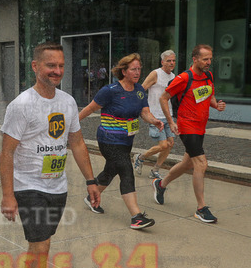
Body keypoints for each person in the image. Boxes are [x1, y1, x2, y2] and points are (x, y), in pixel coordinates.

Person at [0, 42, 101, 268]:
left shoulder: (68, 102)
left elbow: (77, 143)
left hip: (57, 186)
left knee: (42, 245)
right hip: (28, 186)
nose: (57, 71)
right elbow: (6, 153)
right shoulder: (21, 105)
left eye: (61, 66)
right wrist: (8, 195)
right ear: (35, 67)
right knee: (41, 245)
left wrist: (91, 180)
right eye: (50, 65)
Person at [79, 53, 163, 229]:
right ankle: (136, 216)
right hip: (108, 139)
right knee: (126, 169)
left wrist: (154, 120)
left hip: (126, 141)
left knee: (110, 171)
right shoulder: (110, 91)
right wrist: (71, 125)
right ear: (124, 71)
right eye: (133, 69)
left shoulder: (139, 90)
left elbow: (144, 112)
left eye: (139, 69)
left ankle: (91, 197)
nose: (137, 72)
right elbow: (90, 109)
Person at [153, 44, 226, 223]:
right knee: (201, 163)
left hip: (201, 126)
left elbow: (209, 94)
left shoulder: (208, 75)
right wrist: (171, 122)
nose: (209, 62)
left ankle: (160, 184)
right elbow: (163, 98)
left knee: (187, 164)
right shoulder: (184, 78)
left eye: (210, 59)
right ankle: (201, 208)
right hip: (186, 126)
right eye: (205, 59)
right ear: (195, 59)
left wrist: (216, 105)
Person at [133, 50, 177, 179]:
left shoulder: (173, 76)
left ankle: (155, 169)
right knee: (163, 145)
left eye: (173, 61)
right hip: (155, 115)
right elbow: (141, 90)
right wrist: (142, 110)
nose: (172, 63)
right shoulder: (155, 74)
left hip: (168, 114)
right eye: (169, 61)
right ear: (162, 62)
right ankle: (140, 157)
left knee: (170, 144)